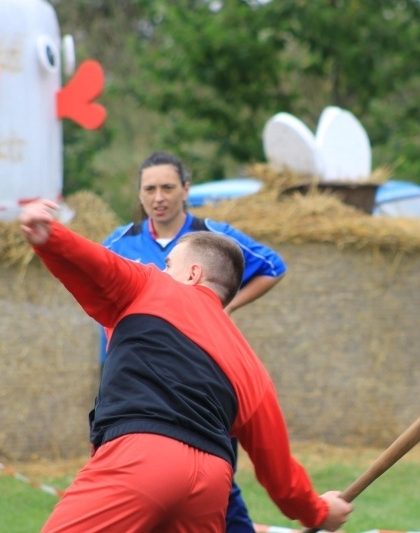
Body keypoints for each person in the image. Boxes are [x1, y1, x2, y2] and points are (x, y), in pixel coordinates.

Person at [20, 198, 353, 532]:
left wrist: (49, 236)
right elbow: (280, 475)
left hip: (142, 458)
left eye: (168, 264)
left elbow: (98, 264)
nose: (161, 269)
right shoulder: (254, 369)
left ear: (193, 274)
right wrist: (319, 511)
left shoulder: (152, 285)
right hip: (212, 486)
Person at [100, 151, 286, 532]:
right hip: (140, 385)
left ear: (186, 189)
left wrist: (225, 306)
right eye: (150, 189)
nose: (159, 197)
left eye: (168, 187)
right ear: (139, 194)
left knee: (214, 476)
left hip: (200, 383)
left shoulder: (213, 238)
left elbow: (273, 267)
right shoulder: (118, 243)